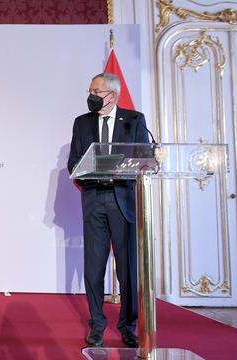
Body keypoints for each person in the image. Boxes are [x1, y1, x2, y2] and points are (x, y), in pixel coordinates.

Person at [67, 73, 149, 348]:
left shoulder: (135, 120)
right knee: (93, 268)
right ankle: (97, 325)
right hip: (94, 200)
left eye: (96, 91)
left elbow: (143, 158)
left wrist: (114, 166)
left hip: (122, 200)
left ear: (112, 96)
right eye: (89, 90)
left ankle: (127, 326)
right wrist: (94, 170)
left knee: (127, 269)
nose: (90, 95)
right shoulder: (82, 123)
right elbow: (74, 163)